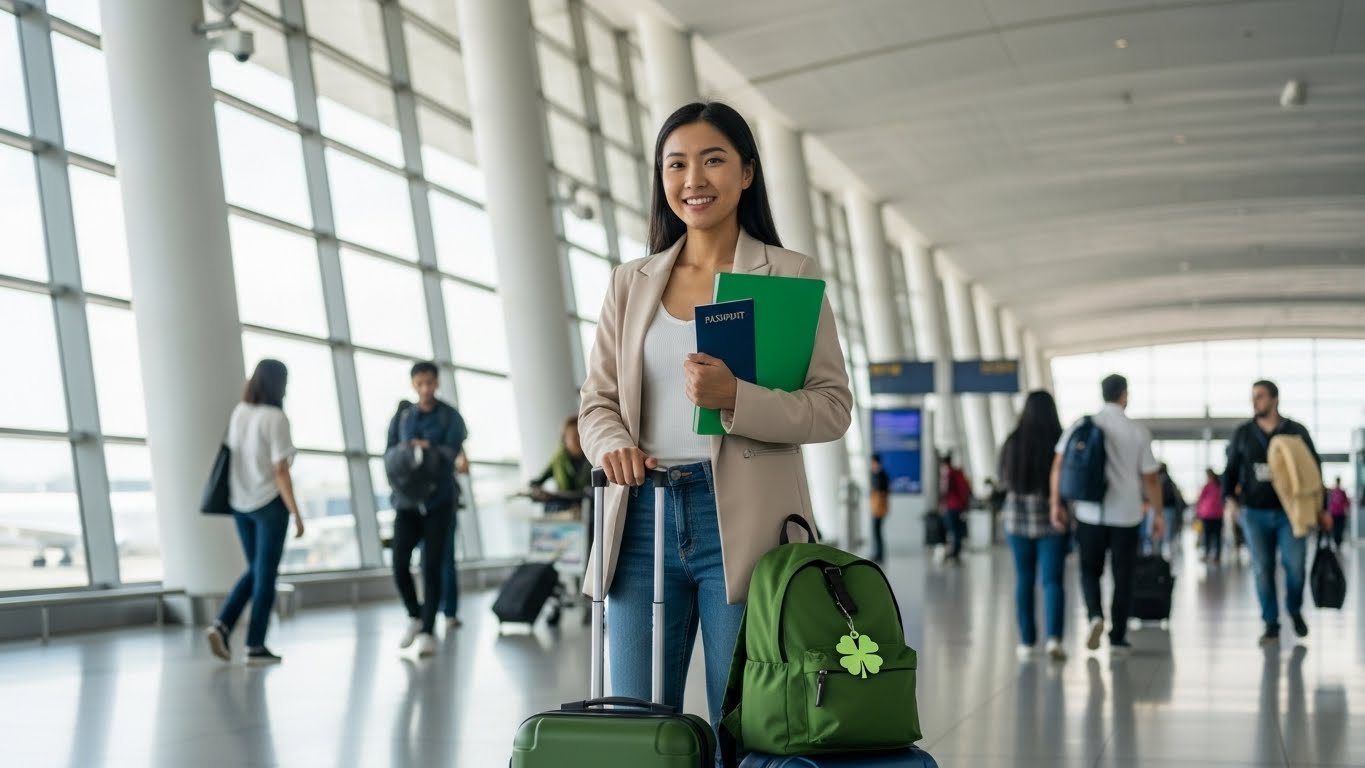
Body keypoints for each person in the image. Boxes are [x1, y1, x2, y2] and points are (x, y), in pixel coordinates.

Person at [578, 101, 852, 737]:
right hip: (641, 513)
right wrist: (611, 444)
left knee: (744, 725)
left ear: (747, 173)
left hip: (745, 524)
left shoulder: (787, 275)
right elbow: (596, 402)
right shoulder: (631, 282)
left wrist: (736, 397)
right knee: (637, 727)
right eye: (677, 164)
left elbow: (832, 407)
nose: (693, 179)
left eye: (712, 160)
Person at [1050, 374, 1163, 656]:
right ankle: (1118, 638)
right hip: (1126, 514)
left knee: (1090, 570)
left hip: (1090, 512)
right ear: (1125, 395)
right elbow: (1150, 478)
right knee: (1123, 575)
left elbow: (1058, 465)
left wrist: (1056, 503)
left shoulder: (1083, 424)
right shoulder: (1137, 431)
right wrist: (1158, 513)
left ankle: (1094, 615)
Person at [206, 359, 304, 665]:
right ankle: (255, 645)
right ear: (279, 383)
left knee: (256, 570)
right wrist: (296, 512)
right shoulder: (276, 418)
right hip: (269, 505)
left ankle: (222, 625)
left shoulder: (240, 413)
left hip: (240, 504)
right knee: (265, 576)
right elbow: (280, 470)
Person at [1223, 380, 1329, 646]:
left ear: (1274, 399)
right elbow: (1231, 468)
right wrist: (1231, 499)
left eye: (1260, 396)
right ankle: (1271, 622)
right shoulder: (1244, 433)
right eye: (1253, 397)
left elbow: (1314, 470)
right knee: (1262, 569)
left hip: (1291, 513)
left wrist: (1321, 508)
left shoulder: (1295, 431)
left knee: (1295, 566)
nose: (1255, 402)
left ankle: (1294, 608)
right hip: (1254, 512)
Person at [386, 361, 468, 656]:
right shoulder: (403, 417)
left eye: (429, 383)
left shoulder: (450, 418)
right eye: (419, 383)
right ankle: (416, 615)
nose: (425, 388)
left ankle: (429, 629)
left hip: (439, 503)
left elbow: (450, 455)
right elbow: (391, 454)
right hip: (406, 503)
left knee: (431, 567)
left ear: (436, 382)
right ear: (413, 384)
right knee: (398, 564)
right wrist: (411, 452)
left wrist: (426, 450)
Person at [998, 391, 1068, 662]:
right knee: (1053, 582)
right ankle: (1054, 640)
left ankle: (1027, 642)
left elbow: (1002, 480)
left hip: (1017, 520)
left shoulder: (1013, 442)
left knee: (1024, 580)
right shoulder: (1058, 442)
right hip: (1052, 520)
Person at [940, 452, 971, 564]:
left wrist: (941, 503)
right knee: (957, 531)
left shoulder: (948, 473)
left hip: (951, 506)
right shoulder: (958, 472)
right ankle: (956, 553)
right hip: (960, 506)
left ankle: (953, 554)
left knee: (952, 531)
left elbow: (946, 490)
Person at [1196, 469, 1225, 563]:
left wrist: (1199, 512)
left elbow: (1200, 500)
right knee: (1212, 536)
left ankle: (1214, 555)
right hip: (1212, 515)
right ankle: (1212, 554)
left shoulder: (1212, 486)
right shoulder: (1218, 486)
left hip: (1212, 515)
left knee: (1212, 536)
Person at [869, 454, 891, 562]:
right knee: (876, 532)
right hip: (876, 507)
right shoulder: (876, 474)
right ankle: (878, 553)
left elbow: (880, 491)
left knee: (877, 532)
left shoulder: (881, 475)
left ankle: (879, 554)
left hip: (879, 508)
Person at [1328, 477, 1349, 547]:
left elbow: (1346, 502)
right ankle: (1336, 542)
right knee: (1336, 528)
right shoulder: (1332, 491)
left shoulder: (1341, 492)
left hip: (1340, 513)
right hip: (1334, 513)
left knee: (1339, 528)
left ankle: (1338, 542)